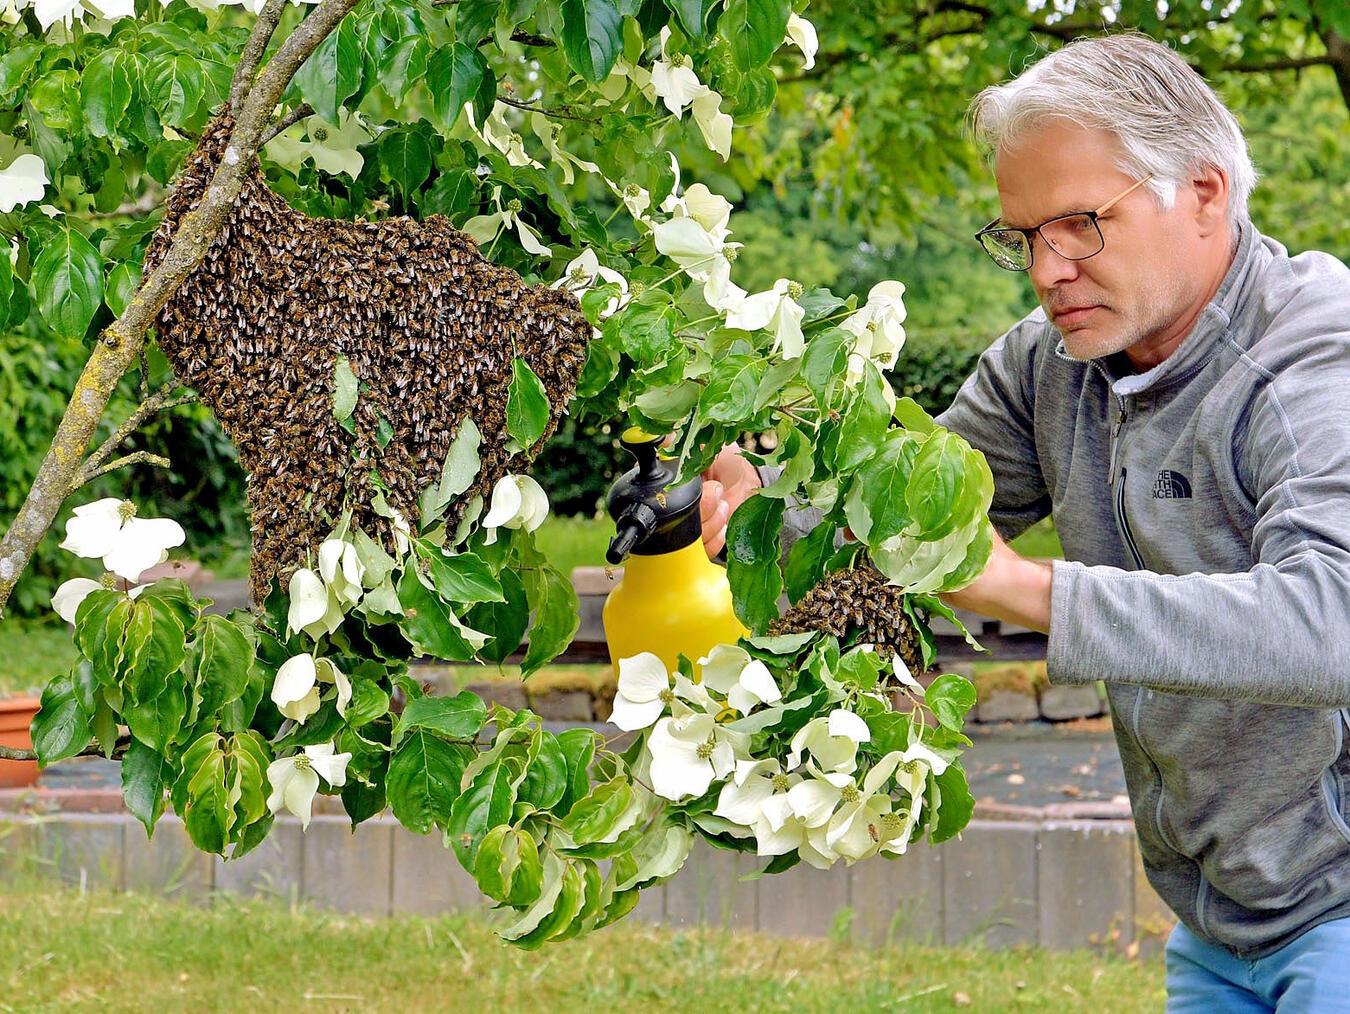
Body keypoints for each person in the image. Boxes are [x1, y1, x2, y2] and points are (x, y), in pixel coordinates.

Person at [700, 33, 1350, 1012]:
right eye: (1022, 236)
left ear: (1205, 195)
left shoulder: (1313, 359)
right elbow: (896, 528)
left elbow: (1328, 623)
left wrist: (1025, 590)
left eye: (1081, 224)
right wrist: (759, 528)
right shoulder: (1049, 367)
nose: (1048, 272)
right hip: (1218, 921)